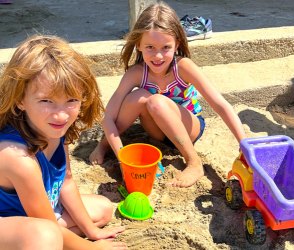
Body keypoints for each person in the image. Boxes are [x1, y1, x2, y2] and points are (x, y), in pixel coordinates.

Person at [89, 1, 246, 188]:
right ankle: (106, 146)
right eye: (150, 47)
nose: (158, 56)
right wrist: (119, 156)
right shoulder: (136, 73)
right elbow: (108, 116)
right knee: (137, 97)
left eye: (165, 47)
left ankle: (194, 162)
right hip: (157, 133)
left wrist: (244, 144)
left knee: (156, 101)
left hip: (189, 129)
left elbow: (220, 104)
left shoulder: (183, 67)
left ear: (177, 43)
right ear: (138, 44)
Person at [0, 34, 127, 250]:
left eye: (71, 101)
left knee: (102, 209)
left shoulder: (55, 131)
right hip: (9, 223)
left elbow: (66, 182)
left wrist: (92, 232)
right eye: (46, 101)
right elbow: (46, 224)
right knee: (46, 236)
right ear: (20, 99)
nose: (61, 116)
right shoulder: (17, 157)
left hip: (37, 218)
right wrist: (93, 248)